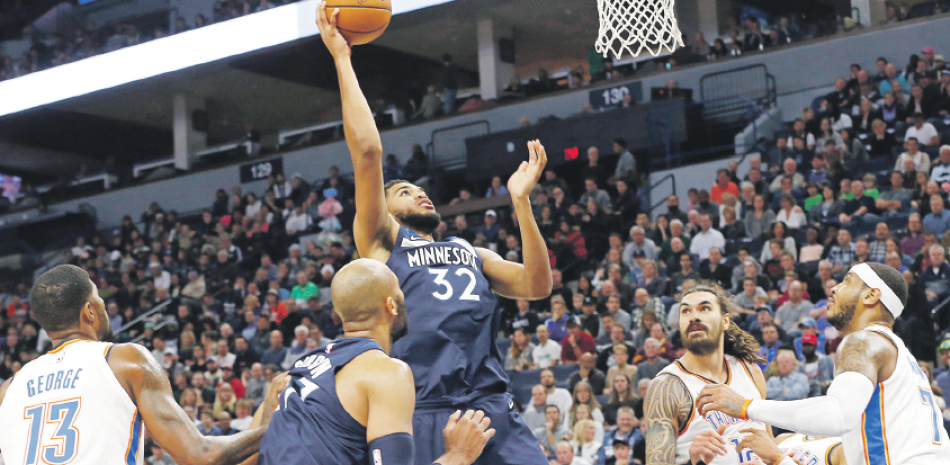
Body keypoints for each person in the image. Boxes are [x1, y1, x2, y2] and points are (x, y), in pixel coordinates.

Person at [317, 4, 553, 464]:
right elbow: (367, 152)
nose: (420, 193)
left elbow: (537, 285)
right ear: (383, 210)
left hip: (491, 405)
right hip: (425, 407)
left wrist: (521, 203)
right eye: (405, 191)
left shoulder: (469, 249)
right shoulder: (383, 243)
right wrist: (342, 58)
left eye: (420, 187)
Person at [0, 265, 285, 465]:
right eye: (99, 299)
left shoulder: (8, 390)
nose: (103, 306)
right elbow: (200, 455)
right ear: (89, 311)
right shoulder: (125, 361)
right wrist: (271, 426)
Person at [697, 262, 950, 465]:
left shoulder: (864, 341)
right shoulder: (901, 357)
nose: (834, 289)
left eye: (847, 281)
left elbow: (838, 415)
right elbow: (846, 448)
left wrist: (745, 406)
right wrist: (785, 448)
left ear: (872, 295)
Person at [257, 258, 494, 465]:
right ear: (391, 305)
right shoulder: (387, 372)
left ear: (341, 314)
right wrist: (457, 456)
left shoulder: (294, 372)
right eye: (400, 294)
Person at [644, 284, 768, 465]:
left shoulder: (750, 371)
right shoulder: (667, 386)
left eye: (704, 308)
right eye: (685, 311)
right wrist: (693, 463)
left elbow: (770, 443)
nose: (694, 316)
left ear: (725, 321)